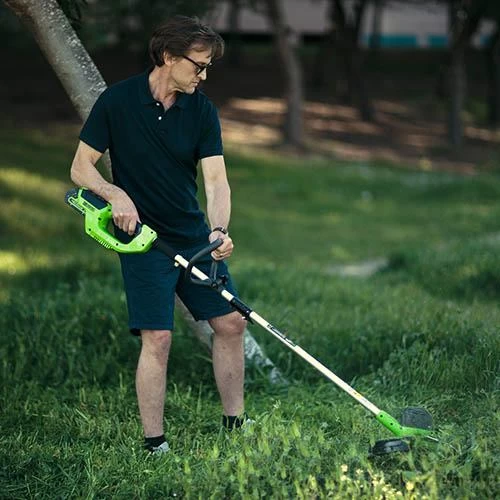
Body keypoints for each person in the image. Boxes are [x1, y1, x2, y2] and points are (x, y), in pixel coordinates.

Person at [70, 15, 248, 454]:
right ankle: (155, 444)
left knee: (230, 323)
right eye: (199, 66)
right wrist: (115, 194)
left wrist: (219, 230)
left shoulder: (201, 110)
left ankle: (235, 426)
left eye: (208, 67)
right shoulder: (117, 101)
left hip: (192, 236)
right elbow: (80, 168)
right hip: (142, 240)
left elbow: (216, 182)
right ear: (169, 56)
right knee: (159, 337)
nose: (204, 76)